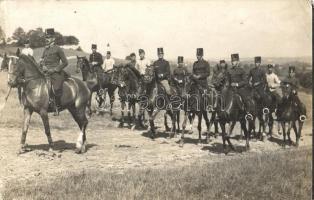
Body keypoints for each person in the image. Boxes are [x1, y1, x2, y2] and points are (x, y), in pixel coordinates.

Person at [40, 28, 68, 116]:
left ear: (53, 39)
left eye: (48, 37)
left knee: (56, 88)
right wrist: (42, 65)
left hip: (55, 72)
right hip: (45, 72)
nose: (46, 39)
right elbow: (41, 60)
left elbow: (65, 62)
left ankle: (57, 106)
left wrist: (55, 69)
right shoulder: (45, 49)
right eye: (46, 37)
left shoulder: (58, 49)